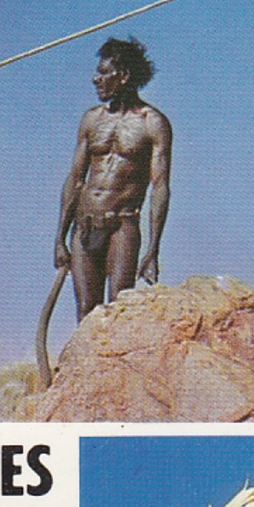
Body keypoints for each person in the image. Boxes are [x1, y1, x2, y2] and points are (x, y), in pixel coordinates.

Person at [55, 37, 171, 321]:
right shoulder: (92, 120)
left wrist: (153, 250)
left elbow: (160, 188)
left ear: (124, 76)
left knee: (119, 310)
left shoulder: (152, 123)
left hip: (122, 225)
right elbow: (75, 179)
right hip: (85, 226)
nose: (96, 79)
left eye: (104, 73)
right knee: (86, 312)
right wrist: (59, 237)